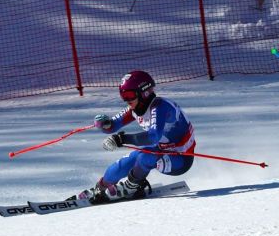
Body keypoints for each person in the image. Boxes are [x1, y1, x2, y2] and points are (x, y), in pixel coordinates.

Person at [72, 70, 196, 203]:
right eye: (123, 96)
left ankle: (132, 187)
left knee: (146, 156)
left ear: (144, 92)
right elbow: (113, 126)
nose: (127, 100)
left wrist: (122, 139)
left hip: (180, 158)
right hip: (158, 150)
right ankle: (100, 188)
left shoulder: (160, 107)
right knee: (120, 166)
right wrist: (104, 124)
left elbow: (153, 136)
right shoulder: (136, 108)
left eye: (129, 95)